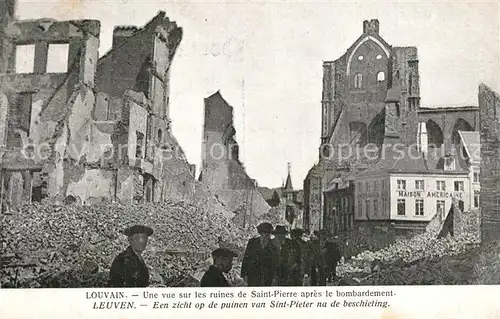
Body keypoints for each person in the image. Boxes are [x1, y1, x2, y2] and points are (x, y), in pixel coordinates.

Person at [241, 222, 279, 286]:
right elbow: (246, 258)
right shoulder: (252, 242)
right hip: (253, 274)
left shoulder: (273, 246)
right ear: (260, 233)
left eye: (268, 234)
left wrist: (275, 278)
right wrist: (244, 274)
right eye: (264, 234)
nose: (265, 236)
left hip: (267, 276)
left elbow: (275, 263)